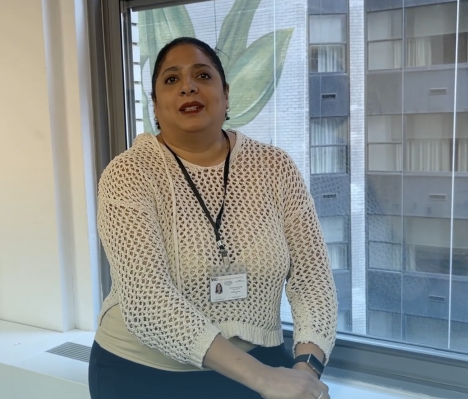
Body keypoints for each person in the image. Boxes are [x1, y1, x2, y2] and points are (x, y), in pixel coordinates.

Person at [89, 36, 338, 399]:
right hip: (142, 374)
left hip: (258, 362)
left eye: (203, 75)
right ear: (155, 107)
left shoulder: (275, 167)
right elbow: (147, 298)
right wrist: (265, 380)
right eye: (171, 80)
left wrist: (305, 370)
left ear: (226, 95)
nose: (188, 86)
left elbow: (312, 278)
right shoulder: (128, 173)